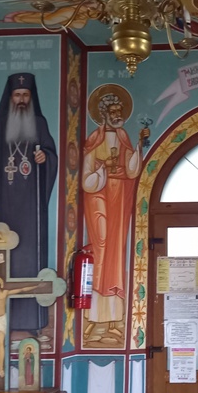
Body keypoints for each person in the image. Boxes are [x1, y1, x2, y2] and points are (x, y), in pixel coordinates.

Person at [0, 72, 58, 334]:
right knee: (7, 257)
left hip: (31, 203)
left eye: (26, 95)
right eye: (17, 95)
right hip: (6, 201)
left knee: (31, 255)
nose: (22, 99)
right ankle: (8, 319)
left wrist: (44, 158)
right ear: (11, 97)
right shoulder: (0, 124)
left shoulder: (39, 122)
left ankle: (34, 321)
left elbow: (51, 154)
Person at [82, 86, 149, 340]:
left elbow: (132, 170)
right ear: (104, 114)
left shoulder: (122, 136)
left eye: (120, 110)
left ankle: (113, 320)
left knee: (116, 252)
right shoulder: (94, 139)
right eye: (113, 111)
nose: (118, 114)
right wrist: (104, 168)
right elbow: (87, 179)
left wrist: (139, 144)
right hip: (99, 197)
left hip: (119, 198)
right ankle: (93, 317)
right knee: (100, 246)